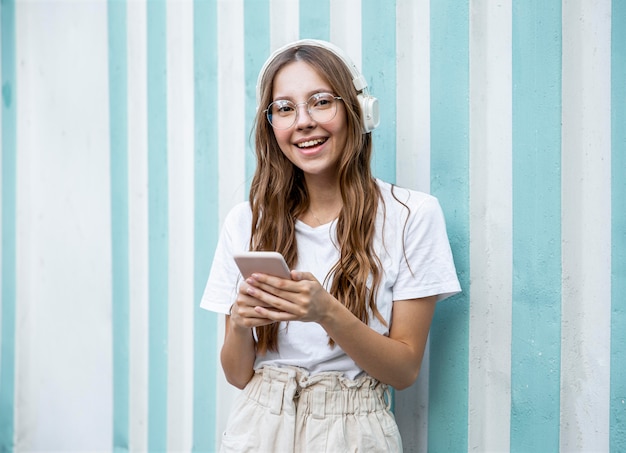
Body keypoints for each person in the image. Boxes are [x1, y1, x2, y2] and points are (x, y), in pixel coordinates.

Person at [201, 39, 461, 453]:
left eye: (321, 101)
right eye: (285, 108)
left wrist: (326, 313)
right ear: (271, 126)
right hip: (257, 426)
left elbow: (404, 370)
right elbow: (237, 375)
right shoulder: (247, 221)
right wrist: (238, 323)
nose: (303, 121)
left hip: (352, 432)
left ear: (359, 111)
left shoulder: (412, 215)